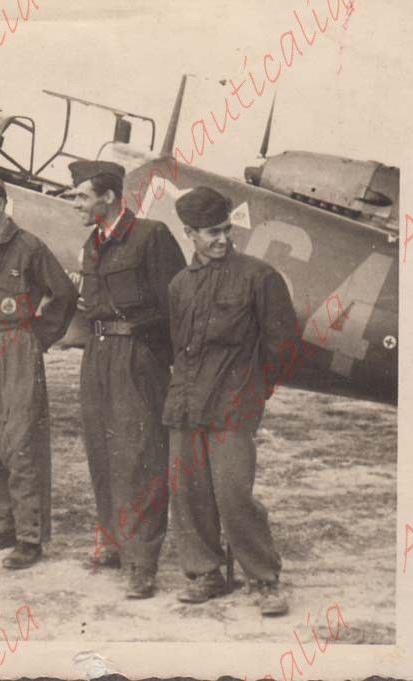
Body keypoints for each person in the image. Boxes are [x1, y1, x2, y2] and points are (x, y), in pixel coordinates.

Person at [162, 185, 297, 616]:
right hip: (186, 402)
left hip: (233, 402)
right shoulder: (180, 285)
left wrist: (255, 390)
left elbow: (281, 346)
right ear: (189, 233)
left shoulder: (259, 277)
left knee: (234, 493)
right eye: (211, 233)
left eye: (226, 230)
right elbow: (178, 345)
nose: (222, 239)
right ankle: (206, 573)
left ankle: (264, 579)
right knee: (188, 491)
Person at [70, 160, 186, 598]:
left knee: (140, 456)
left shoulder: (150, 236)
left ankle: (142, 560)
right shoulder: (93, 243)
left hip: (137, 356)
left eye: (81, 196)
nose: (75, 203)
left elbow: (175, 305)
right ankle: (115, 540)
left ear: (108, 197)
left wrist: (154, 357)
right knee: (102, 451)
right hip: (98, 355)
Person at [0, 171, 78, 569]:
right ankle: (2, 527)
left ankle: (29, 537)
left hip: (14, 348)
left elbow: (64, 293)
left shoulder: (28, 247)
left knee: (20, 442)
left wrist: (36, 338)